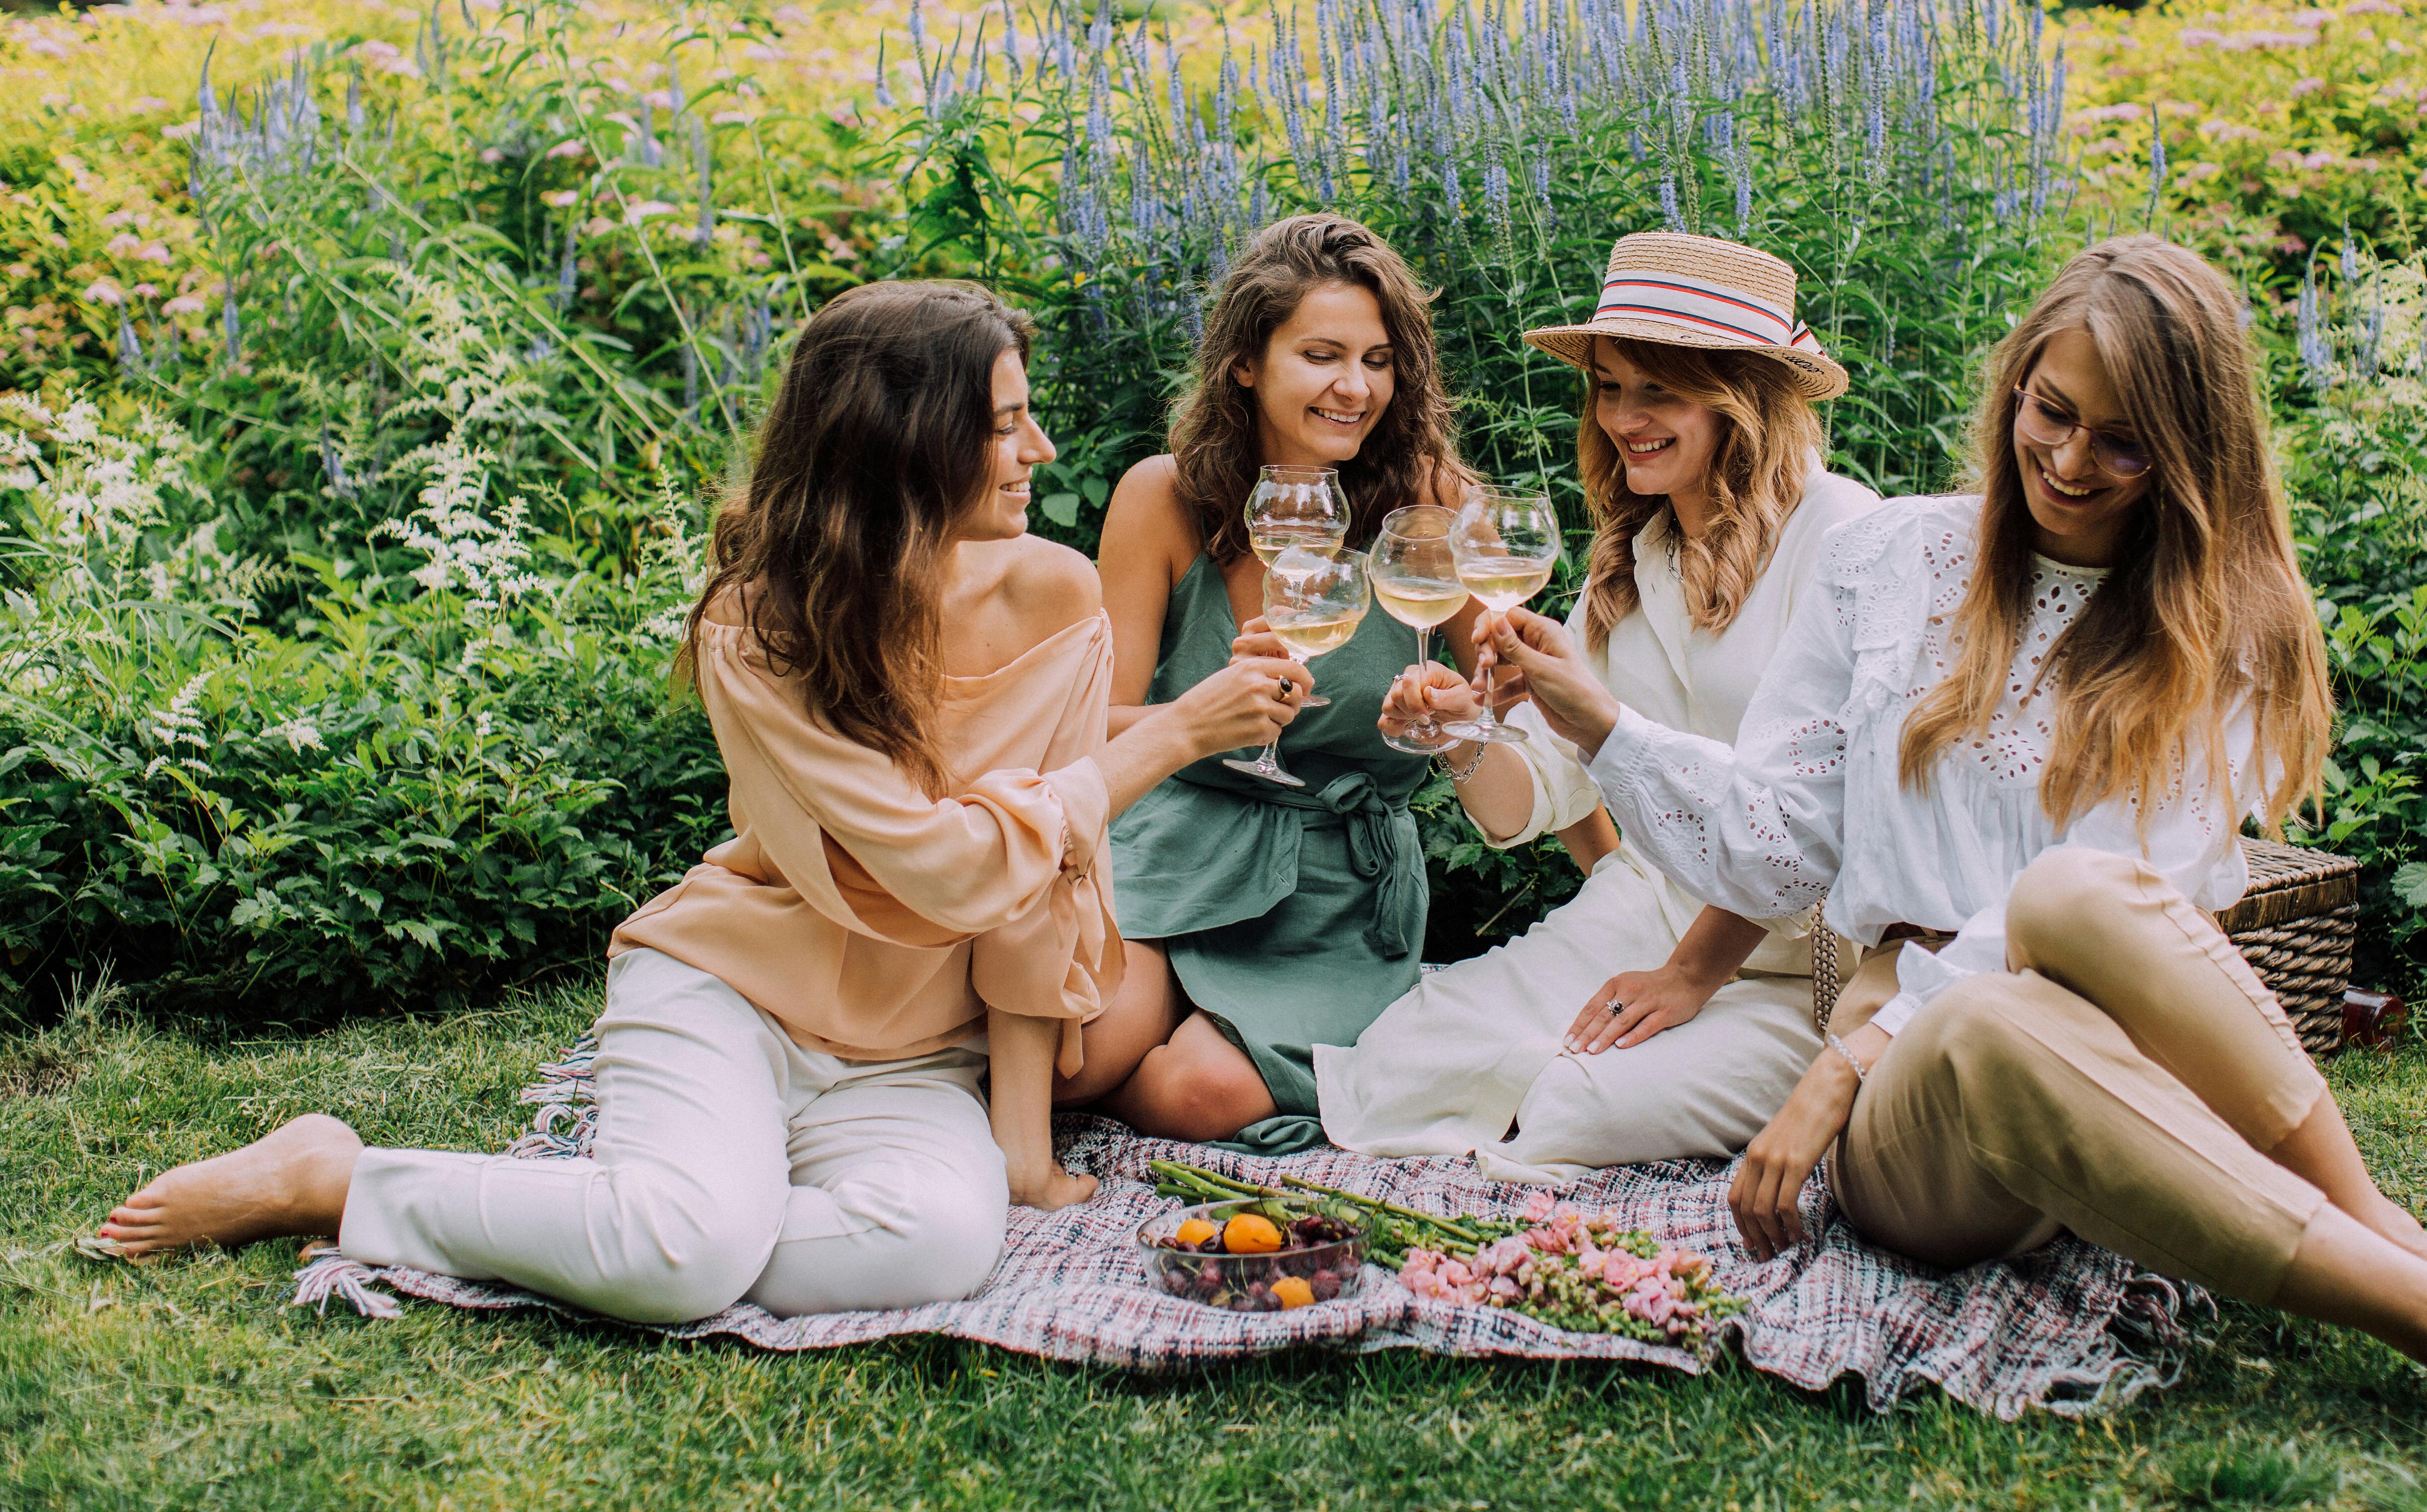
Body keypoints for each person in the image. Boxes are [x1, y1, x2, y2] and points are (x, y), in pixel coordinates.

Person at [1485, 237, 2427, 1485]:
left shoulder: (2226, 628)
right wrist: (1601, 727)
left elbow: (2135, 888)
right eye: (2051, 412)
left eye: (2123, 440)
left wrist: (1833, 1071)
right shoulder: (1887, 563)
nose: (2068, 460)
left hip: (2112, 1047)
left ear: (2192, 460)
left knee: (2073, 892)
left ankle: (2376, 1226)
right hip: (1935, 1107)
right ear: (2015, 393)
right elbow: (1776, 851)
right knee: (1987, 1024)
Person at [94, 281, 1307, 1321]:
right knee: (689, 1255)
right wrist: (1180, 734)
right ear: (904, 442)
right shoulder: (761, 626)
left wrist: (1023, 1161)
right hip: (737, 989)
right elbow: (947, 866)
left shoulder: (1056, 597)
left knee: (941, 1245)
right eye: (1004, 425)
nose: (1041, 450)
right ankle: (342, 1177)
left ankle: (658, 1213)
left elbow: (1035, 885)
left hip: (911, 1059)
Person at [1319, 232, 1876, 1178]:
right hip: (1648, 912)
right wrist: (1458, 736)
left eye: (1657, 388)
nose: (1624, 417)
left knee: (1573, 1110)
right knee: (1406, 1048)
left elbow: (1821, 826)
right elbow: (1530, 801)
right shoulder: (1637, 560)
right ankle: (1551, 1067)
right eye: (1610, 387)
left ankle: (1645, 1078)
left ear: (1742, 395)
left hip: (1797, 965)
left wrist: (1691, 976)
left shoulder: (1845, 540)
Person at [1055, 214, 1491, 1151]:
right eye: (1322, 354)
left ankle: (1211, 1039)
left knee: (1200, 1095)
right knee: (1074, 1063)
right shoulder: (1161, 498)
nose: (1355, 387)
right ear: (1246, 363)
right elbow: (1086, 725)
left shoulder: (1428, 504)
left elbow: (1508, 688)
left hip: (1336, 878)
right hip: (1171, 844)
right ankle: (1152, 1020)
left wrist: (1460, 716)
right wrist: (1204, 718)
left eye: (1377, 360)